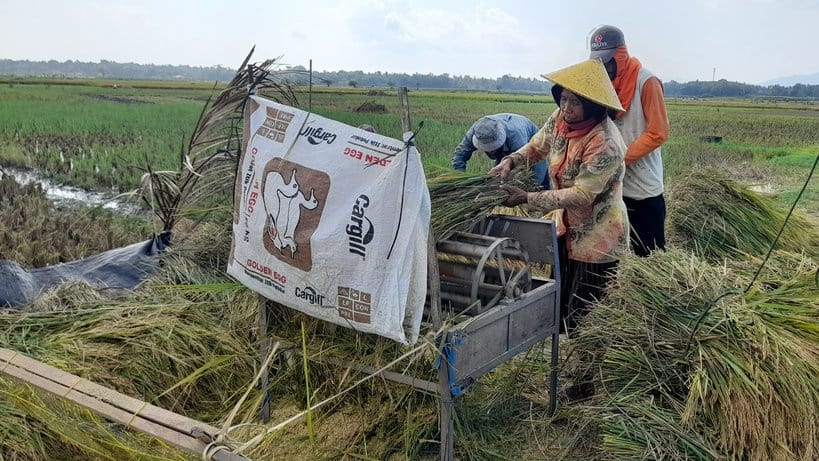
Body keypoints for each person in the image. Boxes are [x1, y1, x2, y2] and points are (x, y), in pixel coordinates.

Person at [489, 59, 629, 332]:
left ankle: (584, 357)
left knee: (586, 313)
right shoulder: (560, 119)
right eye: (563, 99)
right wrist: (510, 160)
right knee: (559, 303)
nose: (566, 107)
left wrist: (528, 198)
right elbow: (537, 147)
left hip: (596, 237)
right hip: (564, 228)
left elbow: (582, 195)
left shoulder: (605, 142)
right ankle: (563, 348)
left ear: (592, 105)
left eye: (575, 102)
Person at [588, 25, 669, 256]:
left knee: (649, 256)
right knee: (614, 254)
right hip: (614, 188)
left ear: (620, 55)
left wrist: (620, 160)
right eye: (598, 62)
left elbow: (658, 132)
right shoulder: (603, 86)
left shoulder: (647, 82)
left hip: (643, 188)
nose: (603, 68)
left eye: (607, 61)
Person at [452, 114, 550, 189]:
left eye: (493, 147)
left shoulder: (516, 136)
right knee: (499, 177)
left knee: (536, 180)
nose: (491, 151)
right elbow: (460, 155)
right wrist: (461, 180)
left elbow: (522, 164)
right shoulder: (476, 131)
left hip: (532, 141)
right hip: (507, 144)